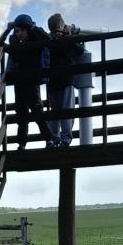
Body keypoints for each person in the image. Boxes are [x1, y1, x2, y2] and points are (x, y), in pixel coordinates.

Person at [0, 14, 51, 148]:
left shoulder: (36, 43)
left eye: (22, 30)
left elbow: (48, 39)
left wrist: (34, 27)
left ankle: (49, 139)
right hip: (19, 84)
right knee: (21, 115)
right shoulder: (15, 46)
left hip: (32, 83)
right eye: (17, 31)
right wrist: (8, 29)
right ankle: (21, 144)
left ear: (28, 30)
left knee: (37, 112)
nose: (19, 33)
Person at [45, 13, 84, 147]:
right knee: (67, 111)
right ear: (61, 26)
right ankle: (66, 139)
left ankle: (54, 139)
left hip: (51, 81)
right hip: (66, 80)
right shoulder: (67, 39)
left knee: (54, 112)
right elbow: (80, 50)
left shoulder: (47, 40)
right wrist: (71, 35)